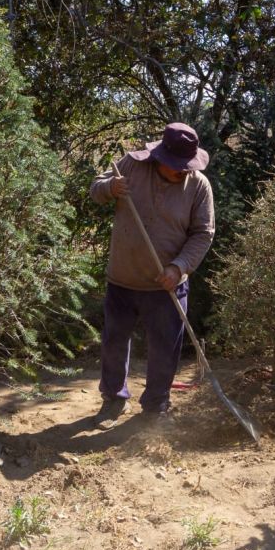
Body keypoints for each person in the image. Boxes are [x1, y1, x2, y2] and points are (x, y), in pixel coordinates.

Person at [89, 122, 215, 428]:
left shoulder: (198, 186)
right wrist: (110, 188)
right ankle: (113, 398)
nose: (183, 172)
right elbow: (96, 190)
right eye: (177, 167)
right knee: (114, 342)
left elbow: (203, 233)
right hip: (123, 279)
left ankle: (156, 406)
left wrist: (179, 267)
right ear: (160, 157)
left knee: (164, 349)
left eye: (187, 167)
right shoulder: (131, 165)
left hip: (167, 286)